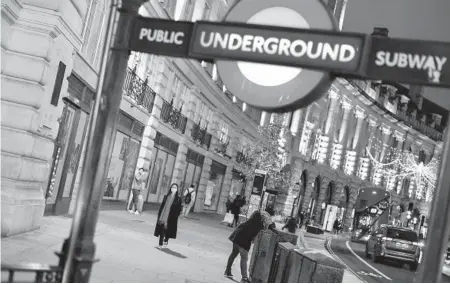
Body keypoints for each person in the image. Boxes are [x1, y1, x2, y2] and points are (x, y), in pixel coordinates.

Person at [225, 209, 276, 283]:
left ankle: (227, 271)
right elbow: (270, 227)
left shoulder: (258, 213)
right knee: (244, 258)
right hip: (244, 238)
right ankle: (244, 278)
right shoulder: (265, 220)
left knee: (234, 253)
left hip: (238, 233)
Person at [154, 183, 182, 249]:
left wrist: (176, 215)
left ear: (177, 189)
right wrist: (159, 214)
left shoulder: (178, 199)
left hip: (172, 217)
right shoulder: (166, 196)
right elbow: (162, 206)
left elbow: (179, 209)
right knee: (162, 230)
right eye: (173, 187)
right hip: (163, 216)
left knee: (168, 231)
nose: (173, 189)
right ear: (170, 188)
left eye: (175, 188)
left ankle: (166, 240)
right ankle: (160, 244)